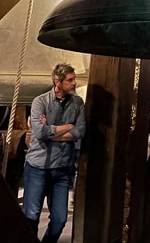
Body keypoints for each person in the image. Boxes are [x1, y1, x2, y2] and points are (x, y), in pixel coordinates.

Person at [22, 63, 86, 242]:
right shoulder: (40, 102)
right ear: (57, 81)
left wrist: (51, 131)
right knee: (31, 216)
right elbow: (40, 133)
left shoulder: (77, 103)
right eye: (70, 80)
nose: (74, 83)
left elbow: (80, 131)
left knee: (60, 219)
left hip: (62, 169)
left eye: (74, 79)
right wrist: (67, 127)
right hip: (38, 167)